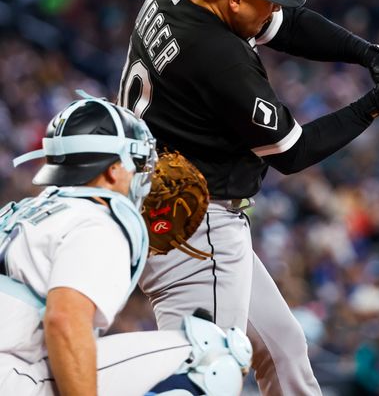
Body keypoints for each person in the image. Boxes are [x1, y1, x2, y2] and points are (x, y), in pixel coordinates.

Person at [117, 0, 379, 395]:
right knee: (202, 373)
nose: (276, 7)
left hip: (167, 202)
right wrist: (372, 105)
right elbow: (293, 153)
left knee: (283, 350)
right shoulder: (220, 57)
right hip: (194, 225)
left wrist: (367, 54)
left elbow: (289, 26)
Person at [1, 97, 251, 396]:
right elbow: (64, 319)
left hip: (16, 363)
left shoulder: (21, 211)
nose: (143, 175)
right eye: (138, 163)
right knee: (215, 352)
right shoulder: (96, 220)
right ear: (112, 170)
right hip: (13, 377)